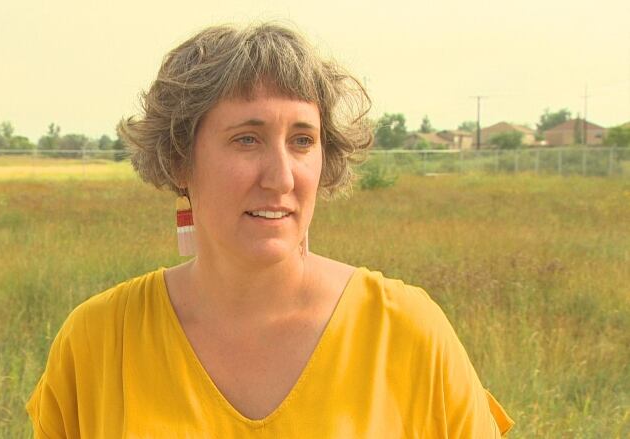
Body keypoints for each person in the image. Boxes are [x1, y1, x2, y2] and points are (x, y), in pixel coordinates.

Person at [26, 23, 514, 438]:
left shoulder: (407, 332)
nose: (281, 177)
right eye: (247, 139)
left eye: (302, 140)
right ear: (179, 159)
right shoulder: (97, 343)